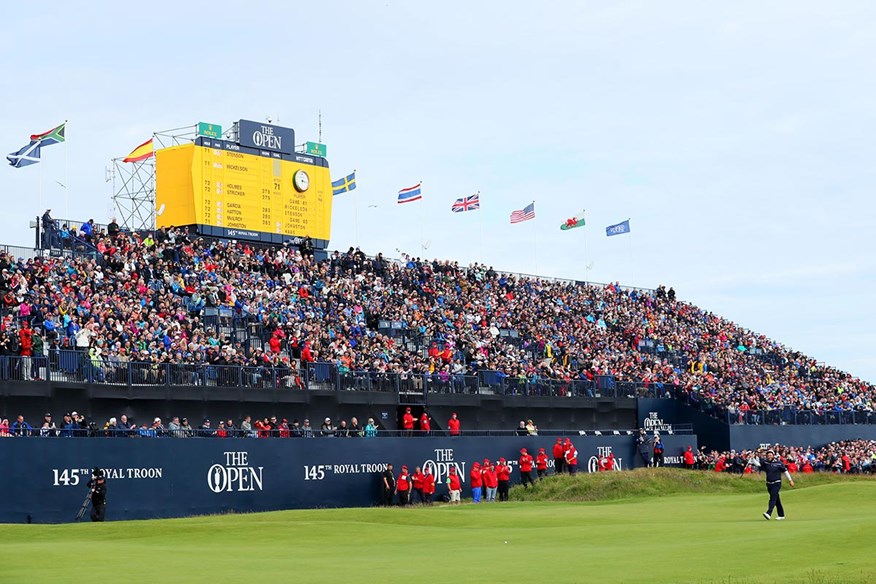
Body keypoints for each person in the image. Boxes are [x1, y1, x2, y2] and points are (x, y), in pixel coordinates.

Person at [760, 450, 794, 520]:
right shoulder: (765, 462)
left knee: (772, 498)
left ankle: (769, 513)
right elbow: (758, 464)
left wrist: (790, 480)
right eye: (768, 455)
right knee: (776, 499)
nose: (769, 456)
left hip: (777, 483)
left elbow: (785, 471)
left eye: (770, 455)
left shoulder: (779, 463)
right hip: (769, 484)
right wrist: (752, 459)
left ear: (773, 455)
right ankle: (781, 515)